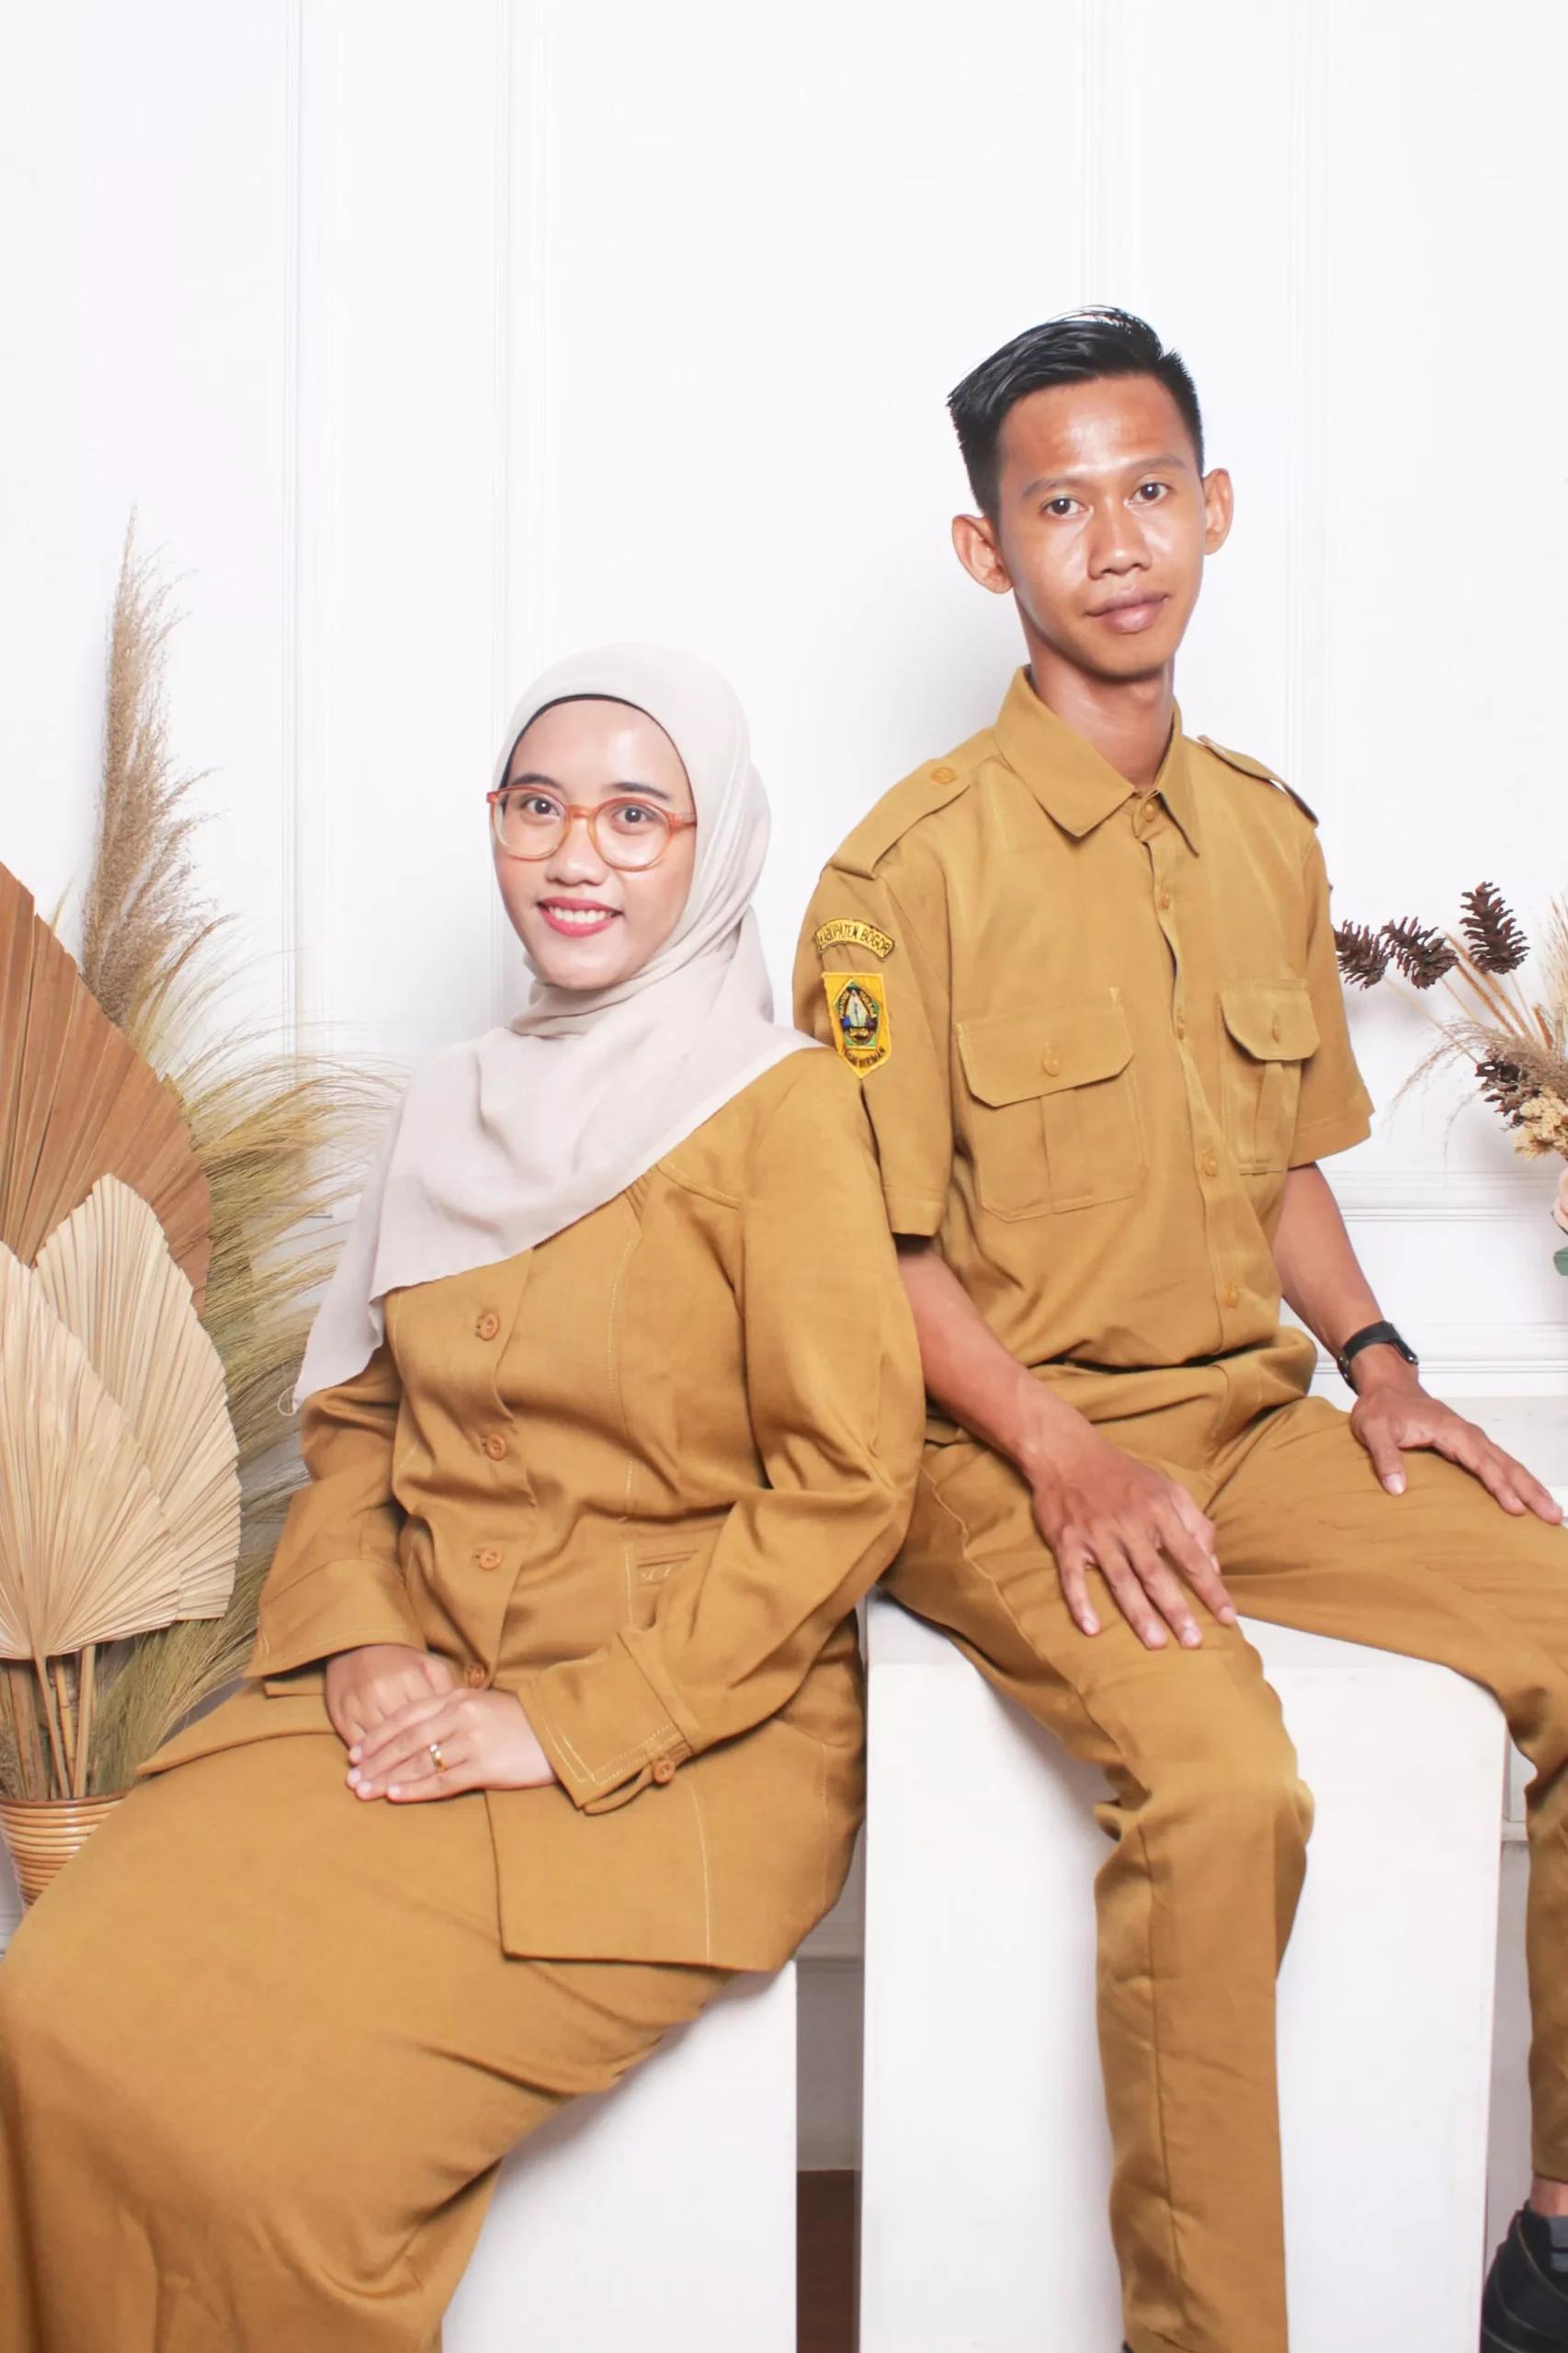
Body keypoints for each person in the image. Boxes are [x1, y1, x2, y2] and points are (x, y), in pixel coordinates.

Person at [793, 309, 1568, 2353]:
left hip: (1249, 1424)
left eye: (1149, 489)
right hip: (994, 1453)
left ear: (1212, 508)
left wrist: (1383, 1362)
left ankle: (1556, 2247)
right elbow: (867, 1255)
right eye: (1058, 505)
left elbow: (1282, 1158)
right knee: (1226, 1788)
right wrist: (1061, 1452)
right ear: (987, 551)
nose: (1115, 539)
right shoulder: (900, 877)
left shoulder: (1265, 834)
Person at [0, 644, 923, 2352]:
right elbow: (357, 1420)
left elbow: (845, 1488)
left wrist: (560, 1723)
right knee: (50, 2012)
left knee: (267, 2154)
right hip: (393, 1690)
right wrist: (362, 1645)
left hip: (673, 1741)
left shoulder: (782, 1113)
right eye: (537, 806)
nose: (577, 855)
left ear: (713, 845)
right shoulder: (450, 1100)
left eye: (636, 817)